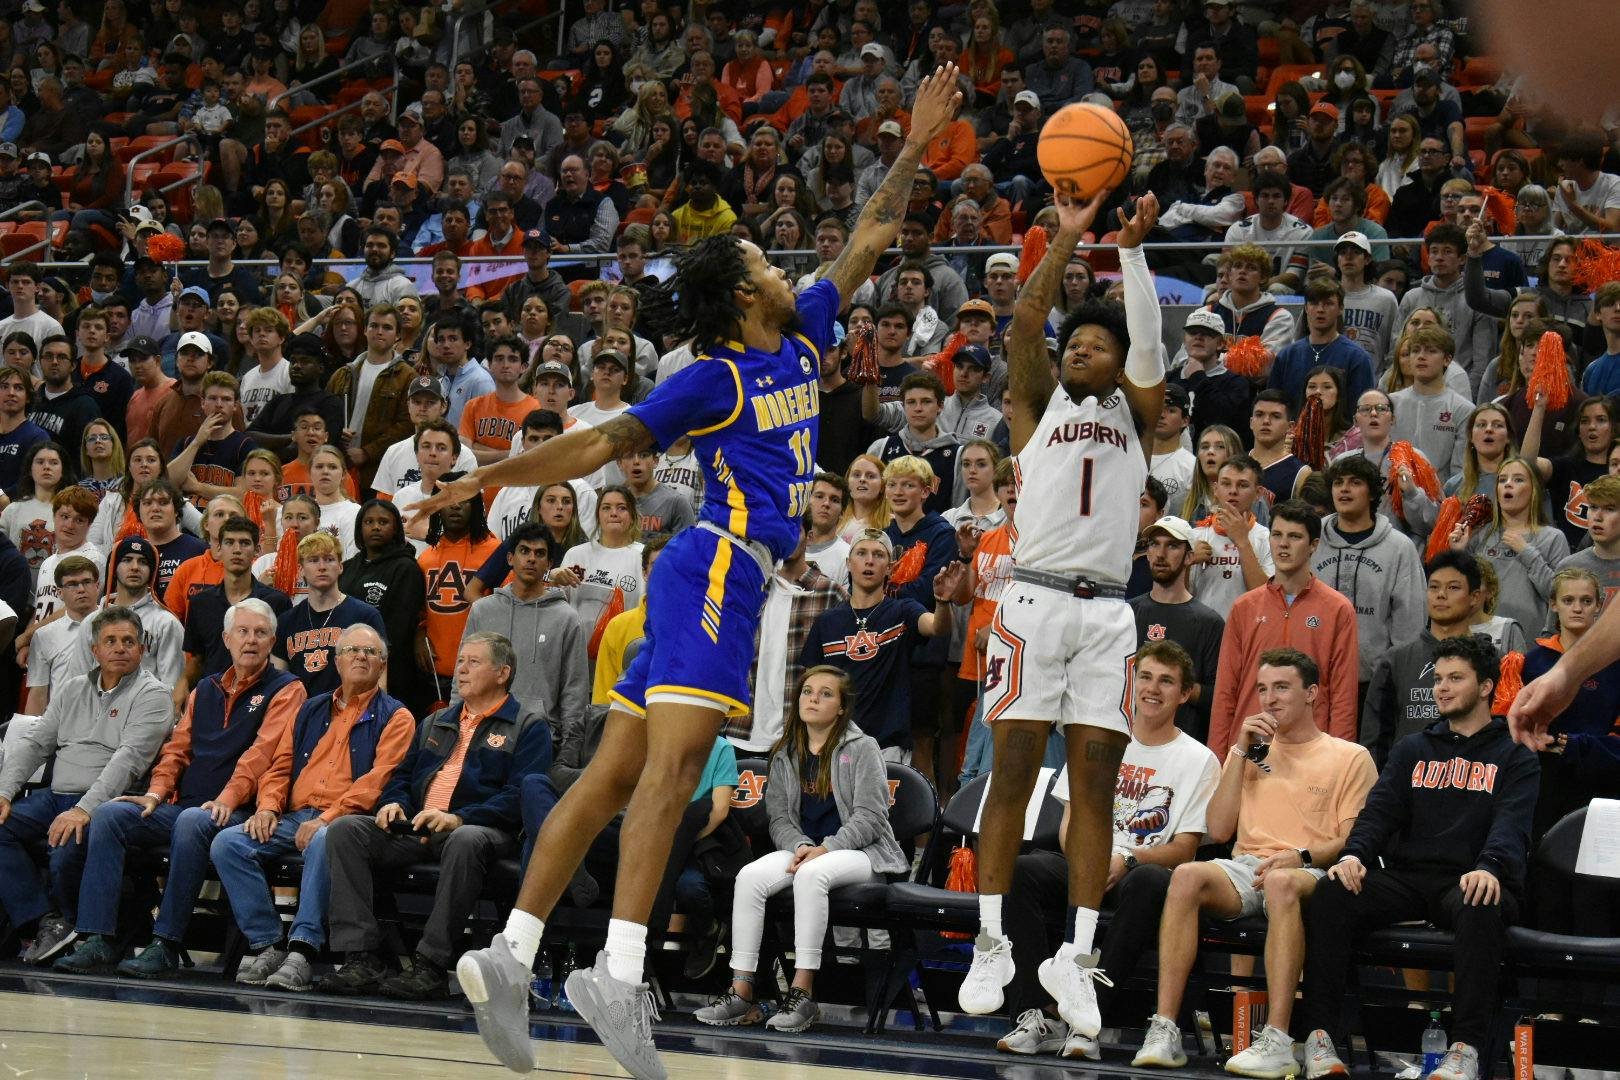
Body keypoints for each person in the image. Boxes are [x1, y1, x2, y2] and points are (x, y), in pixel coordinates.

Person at [415, 64, 966, 1080]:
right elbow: (593, 450)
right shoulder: (712, 380)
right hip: (716, 570)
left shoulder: (802, 332)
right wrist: (485, 474)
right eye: (758, 256)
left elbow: (870, 237)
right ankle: (619, 976)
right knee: (669, 774)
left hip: (717, 576)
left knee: (617, 772)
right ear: (740, 295)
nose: (776, 259)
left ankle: (510, 951)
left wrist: (919, 138)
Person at [956, 189, 1164, 1057]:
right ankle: (993, 940)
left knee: (1095, 789)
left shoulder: (1138, 417)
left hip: (1109, 612)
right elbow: (1023, 323)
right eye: (1074, 343)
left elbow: (1151, 341)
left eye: (1098, 344)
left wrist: (1134, 255)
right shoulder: (1035, 407)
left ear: (1118, 364)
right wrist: (1068, 236)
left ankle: (1077, 955)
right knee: (1010, 775)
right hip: (1032, 601)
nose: (1083, 349)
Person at [1299, 635, 1538, 1080]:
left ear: (1486, 686)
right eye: (1438, 679)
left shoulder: (1514, 753)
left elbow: (1512, 824)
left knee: (1481, 901)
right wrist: (1353, 856)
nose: (1441, 688)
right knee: (1331, 890)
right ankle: (1320, 1039)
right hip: (1408, 878)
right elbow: (1379, 813)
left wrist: (1490, 867)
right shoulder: (1413, 748)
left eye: (1455, 678)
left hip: (1469, 880)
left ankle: (1465, 1049)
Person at [1131, 649, 1377, 1071]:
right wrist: (1240, 752)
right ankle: (1165, 1027)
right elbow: (1220, 830)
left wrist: (1296, 857)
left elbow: (1350, 840)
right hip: (1246, 866)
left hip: (1308, 867)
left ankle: (1278, 1038)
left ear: (1312, 693)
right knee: (1187, 875)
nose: (1269, 699)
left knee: (1282, 883)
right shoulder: (1251, 753)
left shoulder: (1349, 756)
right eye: (1262, 689)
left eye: (1281, 687)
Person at [52, 598, 306, 978]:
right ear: (226, 638)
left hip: (238, 813)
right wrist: (155, 794)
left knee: (191, 821)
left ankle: (167, 942)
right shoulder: (204, 688)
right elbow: (176, 750)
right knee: (110, 815)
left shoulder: (287, 689)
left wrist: (227, 798)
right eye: (243, 632)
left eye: (260, 633)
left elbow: (263, 754)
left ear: (273, 641)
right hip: (183, 807)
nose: (251, 640)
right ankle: (98, 936)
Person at [995, 641, 1220, 1060]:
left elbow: (1186, 849)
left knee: (1153, 881)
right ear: (1131, 682)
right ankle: (1038, 1013)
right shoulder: (1099, 738)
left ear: (1184, 694)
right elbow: (1068, 822)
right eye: (1146, 677)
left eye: (1167, 681)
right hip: (1086, 861)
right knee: (1022, 870)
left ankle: (1086, 1021)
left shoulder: (1200, 759)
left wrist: (1128, 859)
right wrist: (1089, 860)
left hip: (1138, 872)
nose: (1153, 689)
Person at [320, 633, 552, 999]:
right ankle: (362, 956)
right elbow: (403, 777)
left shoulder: (527, 726)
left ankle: (430, 964)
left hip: (482, 830)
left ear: (503, 672)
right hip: (419, 827)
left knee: (465, 839)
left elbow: (522, 796)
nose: (460, 669)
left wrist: (460, 817)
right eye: (460, 661)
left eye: (474, 662)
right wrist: (393, 803)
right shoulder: (436, 721)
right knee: (347, 830)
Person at [693, 665, 906, 1032]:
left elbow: (870, 818)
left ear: (841, 707)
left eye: (826, 694)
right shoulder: (786, 751)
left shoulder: (863, 747)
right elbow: (778, 819)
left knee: (811, 874)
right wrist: (802, 845)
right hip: (804, 850)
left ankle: (802, 992)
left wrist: (825, 848)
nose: (813, 699)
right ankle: (742, 989)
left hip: (863, 853)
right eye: (808, 691)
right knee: (749, 877)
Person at [210, 623, 415, 992]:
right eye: (352, 650)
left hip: (347, 821)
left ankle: (302, 950)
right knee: (228, 843)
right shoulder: (310, 709)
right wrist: (268, 808)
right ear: (337, 661)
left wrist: (326, 817)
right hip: (292, 816)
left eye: (371, 653)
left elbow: (377, 782)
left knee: (325, 838)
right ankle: (268, 943)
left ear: (383, 665)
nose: (361, 657)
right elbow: (280, 765)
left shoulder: (396, 716)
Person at [0, 605, 173, 966]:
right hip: (55, 797)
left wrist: (83, 809)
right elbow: (35, 744)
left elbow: (127, 763)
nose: (120, 648)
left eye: (129, 641)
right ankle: (45, 921)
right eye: (110, 640)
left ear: (141, 648)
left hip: (106, 804)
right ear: (95, 650)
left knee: (63, 852)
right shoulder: (73, 688)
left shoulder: (153, 695)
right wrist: (3, 792)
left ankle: (77, 929)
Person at [1206, 500, 1361, 760]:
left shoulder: (1338, 610)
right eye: (1276, 535)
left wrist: (1340, 762)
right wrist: (1217, 759)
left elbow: (1343, 696)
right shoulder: (1244, 607)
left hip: (1311, 752)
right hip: (1250, 748)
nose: (1283, 544)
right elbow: (1225, 691)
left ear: (1313, 545)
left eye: (1294, 536)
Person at [1312, 455, 1425, 698]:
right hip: (1311, 682)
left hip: (1372, 686)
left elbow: (1410, 623)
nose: (1344, 489)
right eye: (1338, 482)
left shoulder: (1399, 547)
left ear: (1372, 493)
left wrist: (1395, 678)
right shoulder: (1311, 537)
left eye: (1355, 482)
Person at [461, 520, 589, 723]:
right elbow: (462, 676)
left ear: (549, 564)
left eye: (539, 553)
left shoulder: (567, 619)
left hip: (539, 734)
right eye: (524, 551)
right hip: (480, 728)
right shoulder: (483, 610)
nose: (531, 559)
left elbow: (575, 692)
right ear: (510, 558)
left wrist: (569, 752)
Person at [1129, 517, 1225, 743]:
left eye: (1172, 545)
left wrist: (1171, 687)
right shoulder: (1128, 612)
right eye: (1154, 544)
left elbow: (1219, 697)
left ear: (1190, 556)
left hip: (1181, 747)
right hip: (1127, 743)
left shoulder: (1209, 622)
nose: (1160, 554)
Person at [273, 531, 388, 697]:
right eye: (313, 560)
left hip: (350, 713)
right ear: (301, 570)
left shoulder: (366, 616)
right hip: (302, 716)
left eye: (329, 559)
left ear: (340, 566)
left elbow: (380, 678)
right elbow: (278, 684)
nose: (322, 567)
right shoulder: (286, 621)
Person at [182, 514, 291, 682]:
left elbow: (283, 661)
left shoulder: (277, 602)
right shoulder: (200, 603)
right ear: (219, 548)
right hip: (214, 696)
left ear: (256, 550)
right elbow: (196, 660)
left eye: (245, 543)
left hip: (261, 697)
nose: (237, 549)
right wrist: (183, 684)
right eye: (229, 542)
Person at [327, 303, 419, 492]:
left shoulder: (408, 377)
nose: (379, 331)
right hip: (339, 463)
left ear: (397, 335)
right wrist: (336, 430)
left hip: (379, 469)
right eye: (374, 326)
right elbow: (324, 413)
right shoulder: (343, 373)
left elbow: (406, 426)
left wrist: (367, 453)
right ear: (365, 331)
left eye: (387, 327)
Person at [1187, 456, 1274, 619]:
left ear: (1258, 493)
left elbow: (1266, 596)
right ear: (1215, 489)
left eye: (1242, 485)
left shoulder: (1267, 538)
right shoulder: (1194, 536)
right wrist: (1186, 562)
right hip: (1203, 631)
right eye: (1226, 483)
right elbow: (1180, 597)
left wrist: (1242, 541)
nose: (1233, 490)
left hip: (1248, 631)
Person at [1268, 280, 1374, 411]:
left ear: (1340, 308)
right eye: (1314, 303)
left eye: (1328, 304)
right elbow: (1273, 405)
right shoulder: (1287, 355)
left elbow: (1362, 409)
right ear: (1306, 308)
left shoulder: (1356, 357)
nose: (1320, 309)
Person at [22, 554, 99, 714]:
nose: (81, 589)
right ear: (59, 592)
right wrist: (30, 738)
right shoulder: (44, 635)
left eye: (86, 582)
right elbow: (38, 694)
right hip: (61, 725)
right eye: (72, 584)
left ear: (97, 586)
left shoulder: (119, 622)